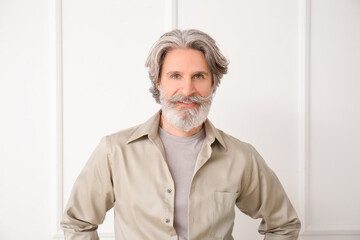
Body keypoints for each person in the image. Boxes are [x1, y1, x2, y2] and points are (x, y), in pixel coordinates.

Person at [61, 29, 301, 240]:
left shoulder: (241, 156)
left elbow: (283, 225)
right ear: (158, 82)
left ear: (213, 84)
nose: (187, 90)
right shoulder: (114, 151)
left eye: (199, 76)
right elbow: (77, 223)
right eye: (175, 76)